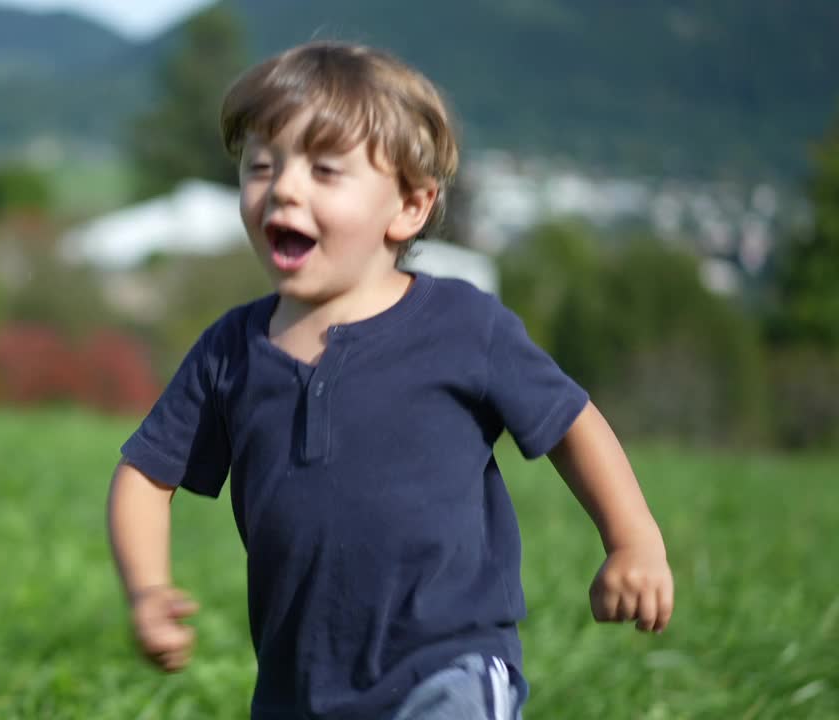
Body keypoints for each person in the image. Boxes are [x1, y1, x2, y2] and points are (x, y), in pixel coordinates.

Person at [107, 40, 674, 720]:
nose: (283, 187)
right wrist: (146, 590)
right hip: (299, 687)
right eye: (261, 166)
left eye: (324, 170)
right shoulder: (231, 350)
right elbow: (146, 474)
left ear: (408, 206)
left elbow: (571, 423)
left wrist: (632, 540)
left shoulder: (464, 325)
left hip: (450, 665)